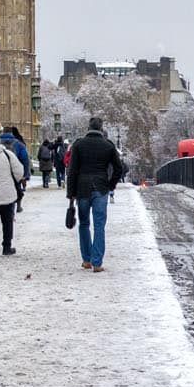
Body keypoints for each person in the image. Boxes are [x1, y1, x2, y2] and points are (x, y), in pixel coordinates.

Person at [67, 116, 127, 272]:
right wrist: (111, 184)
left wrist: (71, 193)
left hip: (82, 188)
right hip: (101, 187)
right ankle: (97, 262)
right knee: (99, 225)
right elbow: (119, 168)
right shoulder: (108, 146)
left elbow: (72, 171)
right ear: (101, 129)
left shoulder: (79, 145)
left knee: (84, 224)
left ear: (88, 127)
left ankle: (86, 260)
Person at [1, 126, 31, 211]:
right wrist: (25, 175)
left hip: (1, 171)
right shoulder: (19, 144)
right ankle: (17, 206)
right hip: (15, 172)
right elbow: (25, 159)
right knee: (16, 189)